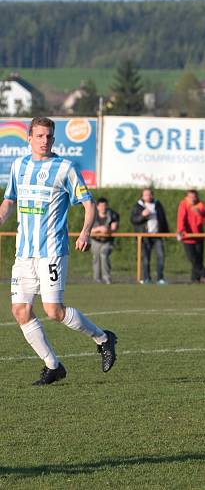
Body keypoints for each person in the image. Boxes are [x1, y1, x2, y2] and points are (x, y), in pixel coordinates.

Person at [0, 116, 116, 385]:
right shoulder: (19, 166)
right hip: (24, 253)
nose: (45, 141)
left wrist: (85, 231)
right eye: (39, 136)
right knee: (20, 310)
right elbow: (8, 201)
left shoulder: (65, 167)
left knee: (54, 311)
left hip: (52, 250)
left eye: (49, 136)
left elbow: (88, 204)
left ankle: (103, 338)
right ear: (29, 138)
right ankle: (53, 366)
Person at [130, 187, 170, 284]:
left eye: (149, 194)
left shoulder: (158, 204)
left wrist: (166, 232)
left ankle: (160, 278)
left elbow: (163, 219)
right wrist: (142, 215)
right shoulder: (138, 206)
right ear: (142, 196)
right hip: (144, 236)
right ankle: (147, 278)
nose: (148, 196)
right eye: (145, 195)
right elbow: (133, 220)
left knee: (161, 256)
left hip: (157, 235)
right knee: (146, 258)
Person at [177, 189, 205, 283]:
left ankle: (195, 278)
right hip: (188, 236)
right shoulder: (183, 204)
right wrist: (180, 230)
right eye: (190, 197)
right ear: (187, 197)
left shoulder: (201, 205)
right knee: (192, 258)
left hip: (199, 235)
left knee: (199, 258)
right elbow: (181, 218)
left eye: (194, 196)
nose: (192, 198)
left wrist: (199, 214)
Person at [89, 197, 119, 284]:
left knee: (104, 255)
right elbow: (88, 229)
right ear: (97, 206)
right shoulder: (92, 215)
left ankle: (107, 278)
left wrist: (107, 230)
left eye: (105, 206)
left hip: (107, 240)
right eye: (101, 206)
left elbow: (114, 228)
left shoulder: (113, 214)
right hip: (95, 240)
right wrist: (99, 229)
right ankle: (97, 279)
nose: (103, 208)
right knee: (96, 258)